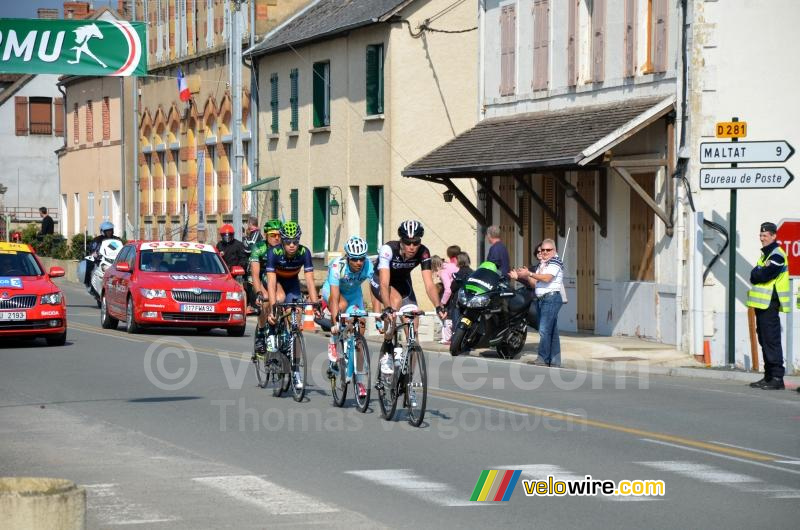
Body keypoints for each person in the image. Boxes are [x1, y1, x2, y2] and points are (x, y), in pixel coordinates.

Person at [369, 220, 447, 384]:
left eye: (416, 242)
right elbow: (384, 283)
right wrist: (388, 308)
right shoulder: (388, 249)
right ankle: (387, 353)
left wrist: (438, 306)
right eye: (408, 242)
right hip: (381, 281)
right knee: (394, 305)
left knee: (414, 327)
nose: (412, 246)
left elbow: (429, 284)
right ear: (401, 241)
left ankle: (408, 379)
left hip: (403, 284)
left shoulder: (423, 252)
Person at [250, 221, 318, 388]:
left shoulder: (305, 252)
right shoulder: (274, 252)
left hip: (292, 284)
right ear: (283, 242)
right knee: (278, 299)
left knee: (296, 321)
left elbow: (309, 280)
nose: (292, 245)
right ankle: (271, 333)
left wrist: (315, 303)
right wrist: (273, 307)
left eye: (295, 241)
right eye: (288, 242)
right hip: (275, 282)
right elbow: (271, 283)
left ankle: (295, 370)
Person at [321, 236, 374, 397]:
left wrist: (380, 314)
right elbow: (335, 296)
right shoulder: (338, 266)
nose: (359, 263)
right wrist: (335, 321)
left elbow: (375, 289)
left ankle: (360, 380)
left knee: (359, 332)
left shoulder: (368, 265)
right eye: (355, 259)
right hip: (334, 292)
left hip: (354, 295)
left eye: (361, 259)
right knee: (341, 308)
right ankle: (334, 340)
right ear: (348, 257)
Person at [747, 222, 791, 390]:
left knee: (771, 340)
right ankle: (768, 376)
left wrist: (758, 272)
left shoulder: (777, 255)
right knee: (764, 339)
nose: (762, 238)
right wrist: (758, 272)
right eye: (761, 235)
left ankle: (777, 378)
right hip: (761, 304)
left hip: (770, 303)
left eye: (765, 235)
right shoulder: (765, 255)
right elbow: (753, 276)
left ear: (774, 236)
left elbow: (763, 275)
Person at [513, 239, 563, 367]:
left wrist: (529, 273)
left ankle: (542, 358)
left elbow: (547, 278)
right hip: (543, 299)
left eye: (548, 250)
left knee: (544, 329)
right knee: (552, 331)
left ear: (554, 251)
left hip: (550, 298)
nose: (545, 252)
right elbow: (536, 284)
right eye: (543, 250)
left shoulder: (555, 262)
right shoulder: (543, 264)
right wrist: (522, 276)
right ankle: (555, 360)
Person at [84, 221, 120, 292]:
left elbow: (121, 247)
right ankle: (88, 282)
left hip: (114, 259)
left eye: (110, 230)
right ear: (103, 231)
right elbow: (93, 248)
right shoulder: (97, 240)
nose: (109, 232)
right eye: (107, 231)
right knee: (89, 264)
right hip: (101, 259)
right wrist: (94, 254)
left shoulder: (116, 239)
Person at [438, 245, 461, 344]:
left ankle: (447, 338)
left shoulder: (445, 269)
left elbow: (448, 289)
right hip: (462, 295)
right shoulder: (459, 267)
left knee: (447, 317)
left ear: (448, 254)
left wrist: (442, 303)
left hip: (452, 297)